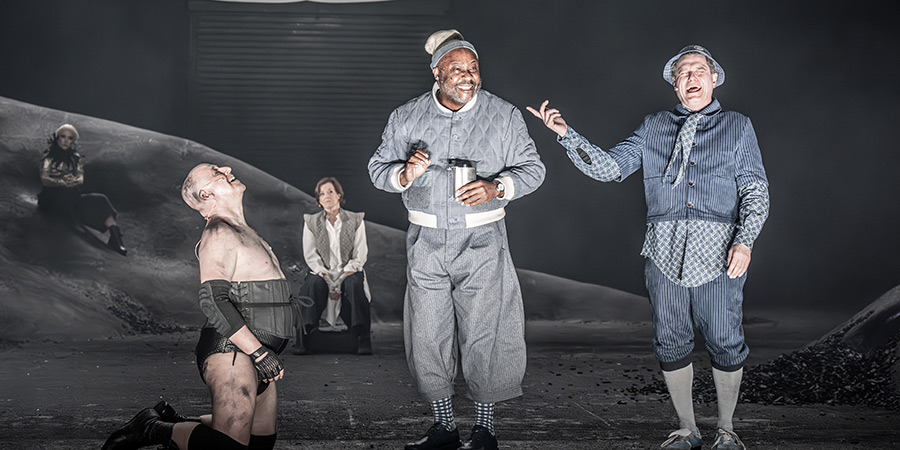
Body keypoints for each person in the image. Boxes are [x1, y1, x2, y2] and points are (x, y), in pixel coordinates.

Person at [528, 45, 769, 450]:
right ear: (674, 84)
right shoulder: (654, 125)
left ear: (714, 79)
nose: (691, 78)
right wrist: (566, 136)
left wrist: (744, 241)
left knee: (724, 337)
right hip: (663, 249)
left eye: (698, 71)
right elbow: (611, 168)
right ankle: (687, 429)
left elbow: (755, 189)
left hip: (719, 251)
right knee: (671, 338)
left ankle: (726, 430)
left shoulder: (737, 126)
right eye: (682, 73)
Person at [368, 29, 545, 450]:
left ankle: (485, 430)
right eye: (457, 69)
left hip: (483, 239)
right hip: (426, 239)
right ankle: (444, 427)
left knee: (486, 331)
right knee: (429, 334)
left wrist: (496, 187)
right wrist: (404, 174)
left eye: (473, 69)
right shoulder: (407, 116)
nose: (467, 77)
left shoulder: (504, 116)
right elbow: (378, 169)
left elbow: (533, 170)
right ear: (436, 72)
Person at [101, 163, 293, 450]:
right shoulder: (218, 233)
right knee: (230, 446)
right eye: (217, 172)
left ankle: (175, 424)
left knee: (260, 443)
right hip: (236, 351)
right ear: (206, 195)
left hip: (252, 351)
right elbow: (214, 301)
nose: (226, 168)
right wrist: (258, 352)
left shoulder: (242, 229)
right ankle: (152, 428)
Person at [294, 176, 372, 355]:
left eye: (330, 191)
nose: (326, 196)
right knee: (312, 284)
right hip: (323, 273)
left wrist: (342, 277)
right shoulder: (311, 222)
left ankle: (362, 337)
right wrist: (329, 280)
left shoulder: (356, 220)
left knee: (353, 283)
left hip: (349, 272)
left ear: (338, 195)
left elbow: (360, 254)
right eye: (322, 194)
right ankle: (304, 336)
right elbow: (311, 255)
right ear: (319, 200)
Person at [38, 123, 127, 255]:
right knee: (68, 206)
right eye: (63, 136)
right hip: (52, 199)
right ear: (57, 138)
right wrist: (62, 182)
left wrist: (74, 182)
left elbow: (80, 178)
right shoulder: (48, 157)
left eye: (70, 138)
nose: (66, 140)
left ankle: (115, 237)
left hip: (71, 196)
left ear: (73, 141)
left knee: (101, 200)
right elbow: (45, 179)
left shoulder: (76, 159)